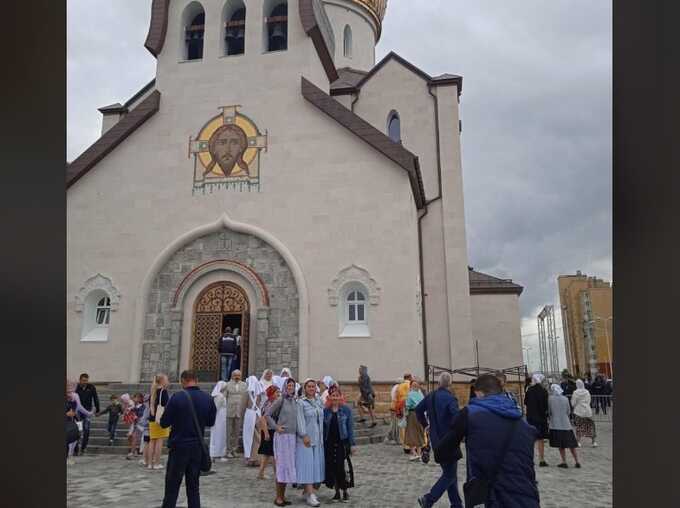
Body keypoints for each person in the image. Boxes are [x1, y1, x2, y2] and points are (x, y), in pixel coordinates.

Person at [432, 374, 540, 508]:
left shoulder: (471, 414)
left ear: (479, 393)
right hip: (527, 495)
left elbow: (441, 452)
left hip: (493, 495)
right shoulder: (522, 422)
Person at [158, 370, 216, 508]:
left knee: (172, 486)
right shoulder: (208, 398)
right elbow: (210, 422)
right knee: (193, 486)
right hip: (197, 447)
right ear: (196, 380)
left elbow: (164, 423)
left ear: (182, 381)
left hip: (179, 446)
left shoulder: (177, 397)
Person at [415, 372, 463, 508]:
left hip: (436, 441)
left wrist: (426, 425)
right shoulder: (450, 398)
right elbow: (456, 419)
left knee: (450, 474)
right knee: (449, 475)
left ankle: (456, 504)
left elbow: (418, 410)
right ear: (450, 384)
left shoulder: (431, 396)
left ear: (439, 383)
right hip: (449, 441)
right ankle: (428, 499)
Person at [267, 377, 299, 507]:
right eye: (289, 385)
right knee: (281, 466)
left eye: (292, 385)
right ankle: (278, 497)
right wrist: (276, 427)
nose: (291, 388)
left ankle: (283, 496)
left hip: (292, 437)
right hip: (282, 437)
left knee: (288, 467)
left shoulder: (295, 401)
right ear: (285, 387)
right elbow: (267, 414)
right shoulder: (281, 400)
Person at [295, 378, 325, 507]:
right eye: (309, 387)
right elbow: (299, 419)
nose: (311, 389)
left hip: (318, 439)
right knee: (307, 466)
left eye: (313, 386)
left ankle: (308, 491)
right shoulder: (301, 402)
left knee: (314, 466)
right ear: (304, 388)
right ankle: (310, 495)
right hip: (306, 439)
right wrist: (303, 434)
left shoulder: (318, 401)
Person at [323, 385, 356, 502]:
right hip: (330, 443)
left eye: (337, 395)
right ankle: (336, 492)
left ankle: (345, 491)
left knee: (342, 468)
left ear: (340, 396)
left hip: (342, 442)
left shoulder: (346, 410)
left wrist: (352, 444)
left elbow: (350, 427)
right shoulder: (325, 411)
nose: (335, 398)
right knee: (332, 468)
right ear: (329, 397)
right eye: (333, 396)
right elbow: (323, 428)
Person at [548, 384, 581, 468]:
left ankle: (564, 461)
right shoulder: (565, 398)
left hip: (555, 425)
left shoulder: (550, 399)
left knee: (561, 445)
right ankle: (577, 461)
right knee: (571, 445)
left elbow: (549, 411)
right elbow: (568, 411)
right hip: (566, 425)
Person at [525, 373, 550, 467]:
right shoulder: (544, 391)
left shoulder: (529, 390)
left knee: (531, 439)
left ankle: (530, 459)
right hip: (541, 418)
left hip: (531, 417)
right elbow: (545, 406)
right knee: (540, 439)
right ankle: (541, 459)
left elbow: (525, 402)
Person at [222, 369, 248, 458]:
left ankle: (234, 449)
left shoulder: (244, 385)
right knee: (229, 431)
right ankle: (228, 450)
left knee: (237, 432)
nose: (237, 377)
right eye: (235, 375)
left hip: (239, 410)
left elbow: (246, 397)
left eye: (238, 375)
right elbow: (223, 397)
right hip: (230, 410)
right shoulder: (227, 385)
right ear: (232, 376)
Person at [148, 373, 171, 470]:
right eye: (166, 379)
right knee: (159, 441)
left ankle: (150, 463)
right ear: (162, 381)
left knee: (152, 441)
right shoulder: (163, 391)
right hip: (160, 418)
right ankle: (157, 463)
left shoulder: (153, 390)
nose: (167, 381)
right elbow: (167, 405)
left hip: (152, 418)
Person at [258, 385, 280, 479]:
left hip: (272, 430)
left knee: (269, 454)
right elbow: (263, 419)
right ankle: (275, 474)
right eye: (276, 392)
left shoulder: (275, 403)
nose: (278, 394)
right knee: (271, 454)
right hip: (269, 430)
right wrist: (266, 433)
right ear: (271, 394)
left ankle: (262, 473)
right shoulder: (268, 404)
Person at [75, 373, 100, 454]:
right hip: (78, 412)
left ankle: (83, 448)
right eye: (83, 380)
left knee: (86, 429)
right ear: (80, 380)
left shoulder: (91, 387)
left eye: (86, 380)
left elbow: (95, 398)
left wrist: (97, 410)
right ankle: (76, 449)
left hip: (87, 412)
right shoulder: (76, 387)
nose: (85, 382)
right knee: (78, 430)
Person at [243, 375, 264, 466]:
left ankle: (250, 458)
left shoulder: (247, 393)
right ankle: (257, 457)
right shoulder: (259, 393)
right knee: (257, 437)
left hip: (249, 414)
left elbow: (243, 405)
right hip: (258, 414)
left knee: (248, 437)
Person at [571, 379, 598, 447]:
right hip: (587, 411)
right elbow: (589, 401)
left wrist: (576, 405)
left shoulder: (575, 392)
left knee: (579, 426)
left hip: (578, 411)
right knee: (591, 426)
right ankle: (594, 442)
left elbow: (573, 403)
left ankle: (578, 442)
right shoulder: (587, 392)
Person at [404, 379, 426, 461]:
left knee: (411, 432)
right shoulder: (421, 394)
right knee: (419, 432)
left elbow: (408, 405)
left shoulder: (410, 394)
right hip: (421, 414)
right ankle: (419, 453)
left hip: (413, 414)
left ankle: (414, 453)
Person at [209, 380, 228, 462]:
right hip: (219, 418)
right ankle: (216, 454)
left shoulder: (219, 395)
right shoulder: (219, 396)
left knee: (220, 436)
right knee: (219, 436)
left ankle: (217, 454)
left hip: (221, 418)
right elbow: (216, 408)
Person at [396, 374, 413, 454]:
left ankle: (405, 446)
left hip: (400, 406)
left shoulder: (399, 386)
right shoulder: (410, 384)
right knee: (410, 426)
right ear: (409, 378)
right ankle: (412, 445)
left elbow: (396, 397)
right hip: (409, 406)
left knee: (403, 426)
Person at [384, 377, 403, 445]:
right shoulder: (398, 387)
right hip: (395, 407)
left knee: (394, 423)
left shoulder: (394, 387)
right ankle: (393, 438)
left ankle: (392, 438)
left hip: (393, 406)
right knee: (395, 424)